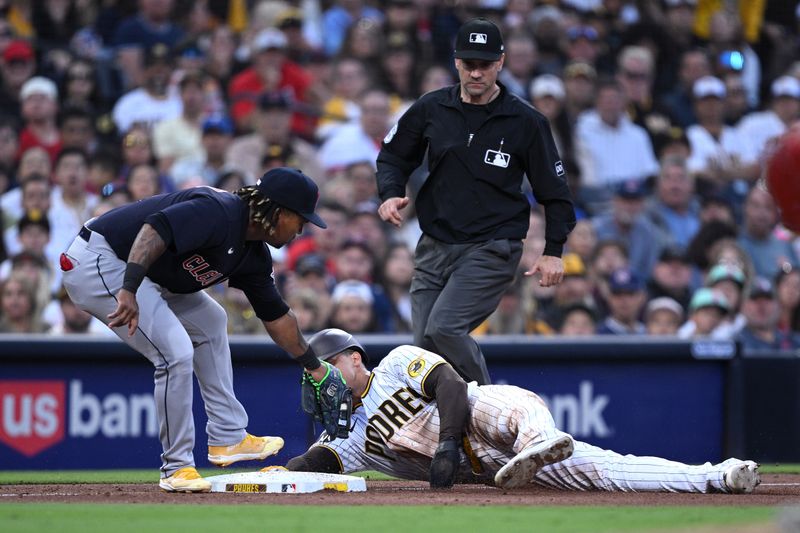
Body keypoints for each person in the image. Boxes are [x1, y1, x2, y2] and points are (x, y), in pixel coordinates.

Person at [60, 167, 338, 493]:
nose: (302, 229)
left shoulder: (252, 253)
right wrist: (130, 288)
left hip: (146, 275)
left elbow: (277, 317)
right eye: (300, 219)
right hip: (101, 259)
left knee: (212, 320)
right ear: (277, 211)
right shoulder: (219, 211)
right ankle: (176, 467)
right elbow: (154, 228)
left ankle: (228, 436)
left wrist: (313, 366)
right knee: (174, 351)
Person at [285, 328, 760, 494]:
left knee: (506, 403)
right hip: (492, 469)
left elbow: (448, 384)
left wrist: (447, 442)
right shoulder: (346, 434)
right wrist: (277, 471)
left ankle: (538, 442)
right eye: (313, 374)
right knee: (610, 472)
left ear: (353, 358)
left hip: (470, 419)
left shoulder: (391, 364)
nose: (320, 378)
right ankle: (719, 477)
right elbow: (313, 463)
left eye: (325, 367)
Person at [375, 18, 576, 385]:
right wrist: (389, 192)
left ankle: (490, 408)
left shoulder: (526, 121)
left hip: (491, 246)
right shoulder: (432, 107)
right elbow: (392, 156)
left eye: (484, 64)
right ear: (456, 63)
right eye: (469, 64)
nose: (476, 73)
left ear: (500, 63)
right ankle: (445, 435)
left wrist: (553, 249)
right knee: (422, 354)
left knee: (445, 329)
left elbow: (556, 192)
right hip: (434, 246)